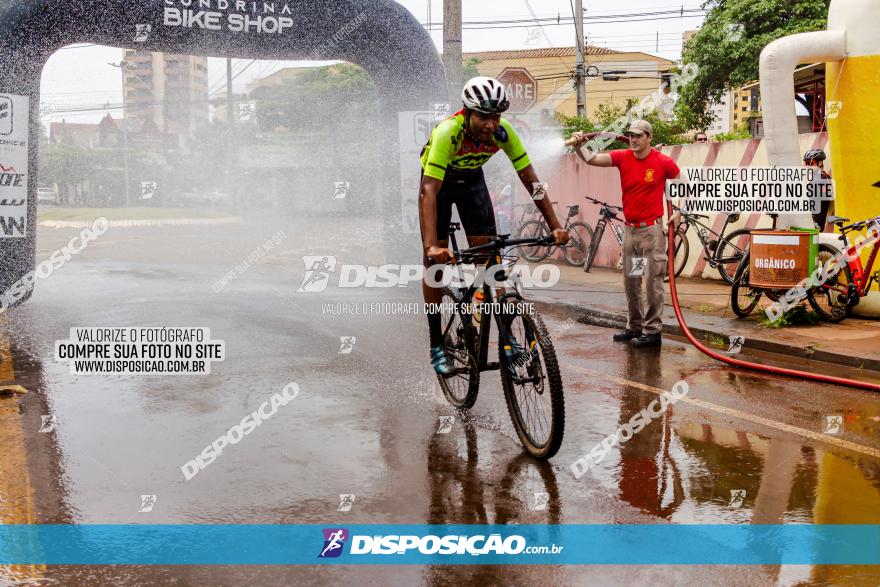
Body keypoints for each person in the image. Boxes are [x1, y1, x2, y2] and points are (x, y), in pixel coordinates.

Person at [419, 76, 569, 375]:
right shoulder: (449, 132)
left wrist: (555, 225)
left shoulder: (503, 133)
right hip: (440, 186)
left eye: (496, 116)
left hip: (473, 183)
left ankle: (506, 336)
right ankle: (437, 342)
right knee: (434, 267)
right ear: (467, 112)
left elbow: (531, 181)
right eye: (483, 117)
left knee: (490, 261)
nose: (490, 124)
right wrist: (431, 246)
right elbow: (428, 191)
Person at [568, 120, 681, 348]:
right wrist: (580, 145)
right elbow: (591, 159)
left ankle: (653, 331)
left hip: (651, 233)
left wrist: (679, 211)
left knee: (652, 283)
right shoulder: (623, 157)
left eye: (639, 136)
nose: (634, 139)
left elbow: (683, 184)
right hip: (631, 233)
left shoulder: (662, 162)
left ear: (649, 137)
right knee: (632, 281)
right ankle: (635, 326)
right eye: (631, 135)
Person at [803, 148, 833, 230]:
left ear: (820, 163)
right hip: (812, 220)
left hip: (815, 221)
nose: (808, 166)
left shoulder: (822, 178)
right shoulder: (818, 176)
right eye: (806, 163)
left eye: (811, 163)